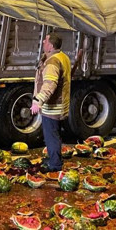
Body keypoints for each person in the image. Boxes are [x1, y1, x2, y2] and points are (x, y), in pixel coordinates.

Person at [30, 33, 71, 172]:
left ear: (51, 46)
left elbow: (50, 84)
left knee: (51, 136)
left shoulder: (53, 62)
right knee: (55, 134)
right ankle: (55, 158)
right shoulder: (63, 57)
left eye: (45, 41)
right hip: (61, 105)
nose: (43, 42)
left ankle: (55, 165)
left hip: (52, 107)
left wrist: (38, 101)